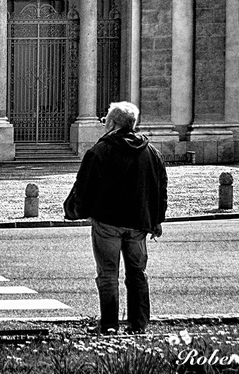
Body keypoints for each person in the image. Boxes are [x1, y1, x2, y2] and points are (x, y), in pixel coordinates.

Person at [66, 100, 167, 334]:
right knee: (137, 274)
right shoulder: (152, 152)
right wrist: (157, 220)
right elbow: (160, 188)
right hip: (139, 223)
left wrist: (75, 210)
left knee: (108, 275)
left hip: (107, 222)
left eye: (105, 120)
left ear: (111, 123)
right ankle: (138, 325)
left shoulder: (100, 150)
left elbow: (84, 186)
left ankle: (109, 325)